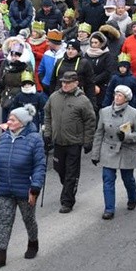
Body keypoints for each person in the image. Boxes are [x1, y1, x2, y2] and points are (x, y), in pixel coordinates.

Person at [0, 105, 46, 269]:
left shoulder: (34, 139)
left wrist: (35, 186)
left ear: (22, 122)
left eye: (12, 120)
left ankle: (33, 242)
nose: (9, 122)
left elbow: (39, 165)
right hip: (5, 188)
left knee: (28, 219)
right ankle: (0, 254)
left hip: (25, 189)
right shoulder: (4, 137)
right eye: (9, 119)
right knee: (4, 221)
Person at [43, 71, 96, 213]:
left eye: (68, 82)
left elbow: (90, 121)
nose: (65, 85)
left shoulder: (83, 101)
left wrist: (88, 141)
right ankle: (68, 186)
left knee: (71, 173)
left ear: (76, 83)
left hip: (74, 142)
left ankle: (67, 201)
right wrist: (47, 133)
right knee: (60, 170)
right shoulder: (54, 97)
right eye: (63, 82)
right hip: (58, 142)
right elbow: (47, 114)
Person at [91, 86, 136, 220]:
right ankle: (109, 209)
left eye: (120, 95)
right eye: (116, 94)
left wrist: (127, 137)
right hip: (108, 150)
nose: (116, 97)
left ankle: (132, 197)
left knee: (128, 179)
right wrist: (95, 153)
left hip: (126, 150)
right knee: (108, 179)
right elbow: (99, 134)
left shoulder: (134, 113)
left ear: (126, 98)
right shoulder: (104, 112)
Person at [0, 41, 32, 124]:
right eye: (12, 55)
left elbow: (28, 86)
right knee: (5, 124)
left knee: (16, 124)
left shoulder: (26, 67)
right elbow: (0, 81)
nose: (13, 57)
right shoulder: (6, 65)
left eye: (16, 55)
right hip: (6, 97)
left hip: (18, 100)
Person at [52, 39, 97, 104]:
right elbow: (53, 81)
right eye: (68, 49)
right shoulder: (59, 62)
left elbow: (90, 84)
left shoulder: (84, 63)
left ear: (78, 50)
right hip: (60, 96)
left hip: (77, 97)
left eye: (73, 49)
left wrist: (92, 103)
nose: (70, 51)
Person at [85, 31, 116, 111]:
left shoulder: (107, 55)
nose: (93, 45)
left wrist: (94, 81)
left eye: (96, 42)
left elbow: (108, 71)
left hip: (102, 85)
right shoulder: (87, 54)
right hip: (88, 85)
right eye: (92, 42)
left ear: (102, 43)